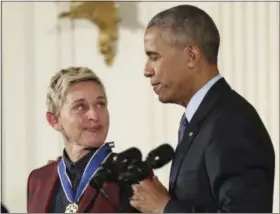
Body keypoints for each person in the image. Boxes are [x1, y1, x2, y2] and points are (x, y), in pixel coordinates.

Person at [129, 4, 275, 213]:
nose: (147, 70)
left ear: (191, 56)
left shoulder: (231, 122)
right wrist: (163, 200)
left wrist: (165, 207)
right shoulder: (203, 118)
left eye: (154, 57)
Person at [27, 67, 137, 213]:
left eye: (100, 104)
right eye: (80, 107)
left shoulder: (131, 174)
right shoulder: (38, 180)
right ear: (54, 120)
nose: (94, 115)